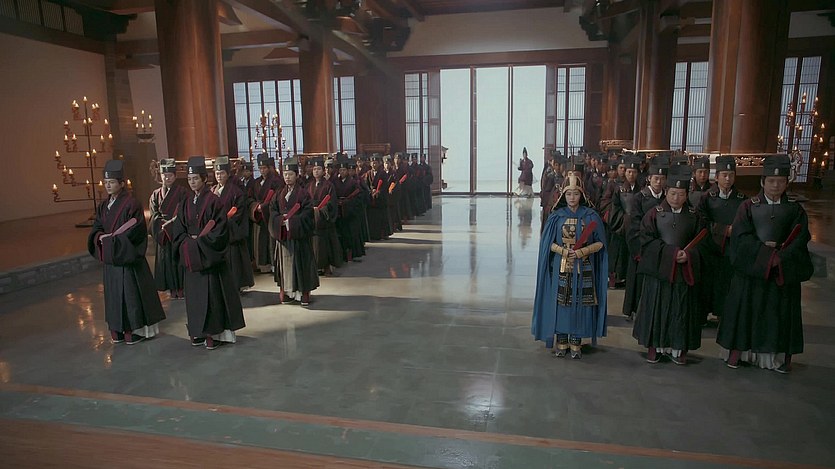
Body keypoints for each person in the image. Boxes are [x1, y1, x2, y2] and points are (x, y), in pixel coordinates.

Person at [717, 155, 813, 373]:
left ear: (787, 183)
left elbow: (800, 239)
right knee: (745, 312)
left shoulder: (795, 210)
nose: (775, 185)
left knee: (778, 315)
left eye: (780, 181)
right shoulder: (748, 207)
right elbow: (741, 237)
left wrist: (780, 256)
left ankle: (776, 357)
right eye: (771, 181)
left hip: (781, 272)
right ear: (762, 182)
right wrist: (764, 254)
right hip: (753, 271)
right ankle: (739, 353)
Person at [170, 156, 245, 350]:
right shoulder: (185, 202)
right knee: (194, 298)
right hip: (192, 257)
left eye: (195, 178)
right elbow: (179, 229)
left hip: (209, 259)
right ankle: (198, 331)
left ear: (204, 178)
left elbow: (220, 230)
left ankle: (214, 333)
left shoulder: (214, 201)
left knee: (213, 298)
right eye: (189, 179)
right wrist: (188, 244)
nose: (192, 182)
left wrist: (200, 244)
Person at [89, 160, 166, 345]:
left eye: (112, 182)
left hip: (127, 258)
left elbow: (136, 231)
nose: (108, 186)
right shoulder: (103, 206)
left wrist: (113, 241)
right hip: (112, 259)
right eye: (106, 182)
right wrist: (100, 237)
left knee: (130, 294)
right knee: (114, 295)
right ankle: (117, 329)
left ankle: (134, 329)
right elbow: (97, 227)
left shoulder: (132, 204)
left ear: (122, 183)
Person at [632, 167, 704, 365]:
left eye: (681, 194)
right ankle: (654, 347)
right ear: (666, 192)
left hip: (683, 272)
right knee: (657, 308)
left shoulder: (694, 215)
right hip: (660, 272)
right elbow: (645, 241)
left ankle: (678, 349)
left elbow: (703, 243)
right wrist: (671, 254)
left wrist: (688, 255)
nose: (676, 198)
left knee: (681, 310)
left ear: (687, 194)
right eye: (672, 193)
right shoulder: (654, 214)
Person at [533, 175, 608, 359]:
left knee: (581, 302)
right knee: (561, 302)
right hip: (562, 266)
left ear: (581, 195)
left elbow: (601, 243)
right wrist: (563, 251)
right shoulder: (556, 217)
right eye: (569, 194)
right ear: (563, 195)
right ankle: (562, 339)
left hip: (584, 267)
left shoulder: (591, 217)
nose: (572, 198)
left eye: (575, 194)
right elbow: (547, 243)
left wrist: (582, 251)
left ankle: (576, 340)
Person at [697, 155, 748, 321]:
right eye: (724, 175)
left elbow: (746, 223)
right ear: (716, 177)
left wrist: (735, 231)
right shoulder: (706, 198)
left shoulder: (742, 200)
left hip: (731, 250)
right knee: (707, 283)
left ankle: (723, 316)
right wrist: (723, 230)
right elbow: (701, 221)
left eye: (731, 175)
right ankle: (702, 315)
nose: (728, 179)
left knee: (727, 283)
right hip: (710, 248)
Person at [623, 153, 669, 319]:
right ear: (649, 179)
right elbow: (633, 225)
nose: (659, 182)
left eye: (662, 179)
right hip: (642, 247)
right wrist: (639, 248)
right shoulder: (639, 198)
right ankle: (637, 310)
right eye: (656, 178)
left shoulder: (668, 199)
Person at [269, 157, 320, 305]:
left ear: (296, 175)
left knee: (300, 265)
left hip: (298, 237)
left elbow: (307, 214)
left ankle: (303, 293)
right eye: (285, 174)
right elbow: (272, 211)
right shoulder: (279, 193)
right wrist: (279, 220)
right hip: (283, 236)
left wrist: (291, 222)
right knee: (284, 266)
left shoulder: (303, 194)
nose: (287, 177)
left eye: (290, 174)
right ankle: (287, 292)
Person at [213, 156, 255, 293]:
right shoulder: (213, 191)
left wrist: (224, 222)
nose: (219, 176)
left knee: (235, 261)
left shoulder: (236, 192)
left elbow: (239, 212)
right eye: (217, 173)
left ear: (228, 174)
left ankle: (236, 286)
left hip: (231, 232)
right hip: (217, 231)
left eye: (222, 173)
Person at [149, 158, 188, 299]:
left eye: (170, 175)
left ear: (175, 176)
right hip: (163, 233)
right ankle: (171, 289)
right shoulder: (155, 194)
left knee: (178, 261)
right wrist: (162, 226)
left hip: (176, 232)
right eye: (164, 175)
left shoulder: (183, 192)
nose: (167, 178)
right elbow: (153, 215)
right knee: (166, 262)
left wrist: (171, 224)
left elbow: (184, 212)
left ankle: (181, 288)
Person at [600, 155, 641, 289]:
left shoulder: (641, 189)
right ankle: (615, 278)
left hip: (636, 227)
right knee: (618, 254)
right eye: (628, 171)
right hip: (620, 226)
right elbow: (611, 205)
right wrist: (622, 220)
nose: (631, 175)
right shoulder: (616, 187)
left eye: (634, 172)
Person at [307, 156, 343, 275]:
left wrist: (321, 210)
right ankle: (315, 267)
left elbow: (332, 202)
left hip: (324, 219)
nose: (316, 171)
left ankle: (326, 266)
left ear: (323, 171)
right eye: (314, 169)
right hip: (312, 218)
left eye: (318, 169)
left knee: (325, 245)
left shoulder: (329, 185)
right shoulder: (309, 185)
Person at [251, 154, 284, 274]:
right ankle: (263, 265)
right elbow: (250, 198)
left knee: (271, 240)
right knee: (260, 240)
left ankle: (274, 264)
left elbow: (277, 197)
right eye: (260, 168)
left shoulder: (276, 181)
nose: (262, 171)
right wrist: (255, 207)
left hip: (270, 215)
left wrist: (264, 207)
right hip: (259, 215)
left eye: (264, 168)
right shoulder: (256, 182)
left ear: (269, 168)